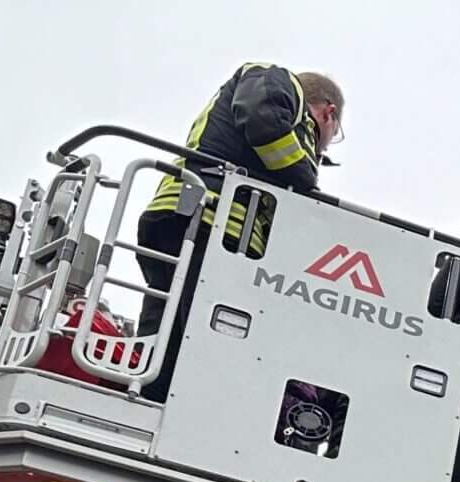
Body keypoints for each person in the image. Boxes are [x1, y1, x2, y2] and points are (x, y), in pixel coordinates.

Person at [134, 67, 346, 390]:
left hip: (181, 213)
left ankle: (148, 393)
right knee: (202, 329)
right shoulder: (278, 81)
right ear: (329, 114)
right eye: (331, 138)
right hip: (213, 223)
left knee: (165, 326)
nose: (323, 148)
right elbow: (262, 119)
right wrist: (306, 180)